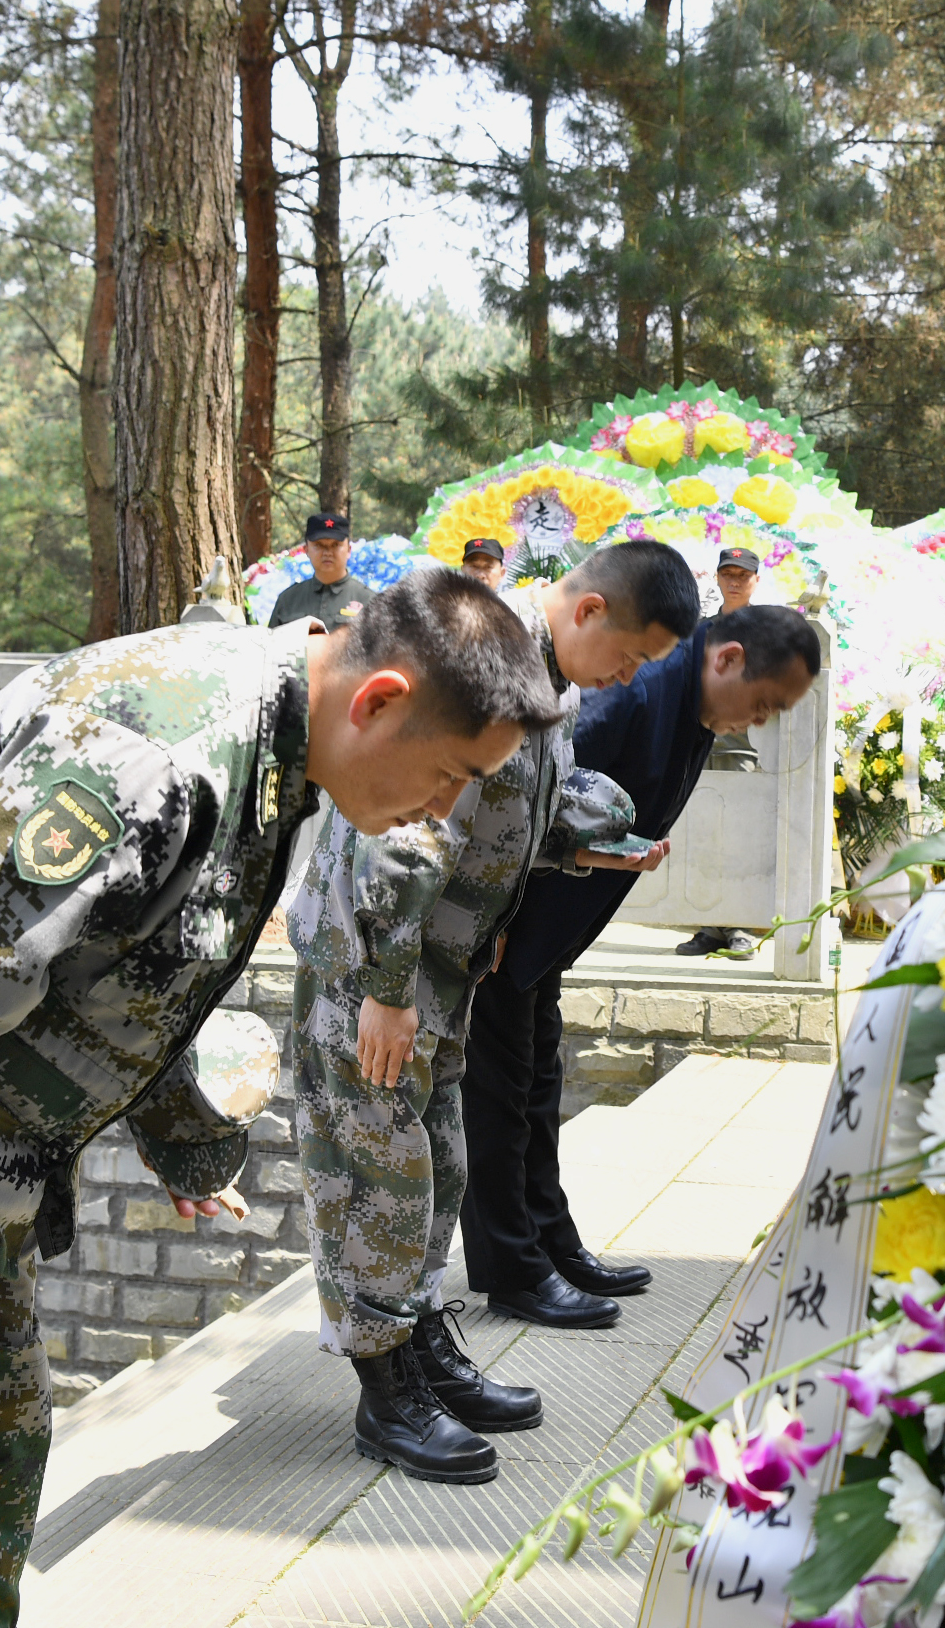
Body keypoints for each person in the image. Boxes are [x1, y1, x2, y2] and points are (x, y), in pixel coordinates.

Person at [0, 573, 560, 1628]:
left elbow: (139, 963)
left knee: (4, 1444)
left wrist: (187, 1145)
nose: (444, 810)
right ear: (380, 699)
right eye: (449, 775)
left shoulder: (278, 738)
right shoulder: (155, 755)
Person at [285, 539, 699, 1484]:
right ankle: (385, 1391)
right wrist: (387, 989)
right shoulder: (481, 665)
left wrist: (588, 850)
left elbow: (508, 818)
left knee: (435, 1166)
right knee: (376, 1176)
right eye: (630, 658)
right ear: (588, 611)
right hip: (377, 969)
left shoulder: (550, 688)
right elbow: (394, 830)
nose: (628, 679)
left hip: (439, 969)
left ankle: (421, 1347)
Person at [467, 607, 821, 1328]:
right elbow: (518, 788)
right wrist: (488, 914)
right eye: (763, 703)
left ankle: (550, 1241)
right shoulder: (632, 693)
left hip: (546, 931)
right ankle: (514, 1269)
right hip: (506, 924)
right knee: (499, 1096)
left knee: (537, 1079)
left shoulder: (689, 702)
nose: (756, 723)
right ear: (726, 660)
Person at [676, 546, 767, 958]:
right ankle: (710, 925)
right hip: (701, 746)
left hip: (744, 748)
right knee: (706, 837)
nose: (734, 581)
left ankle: (742, 925)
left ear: (756, 581)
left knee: (740, 840)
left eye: (742, 575)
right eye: (727, 573)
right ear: (715, 578)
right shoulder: (702, 630)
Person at [270, 513, 378, 628]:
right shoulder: (288, 600)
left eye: (335, 545)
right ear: (306, 550)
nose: (327, 552)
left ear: (348, 550)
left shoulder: (369, 601)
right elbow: (270, 644)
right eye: (319, 545)